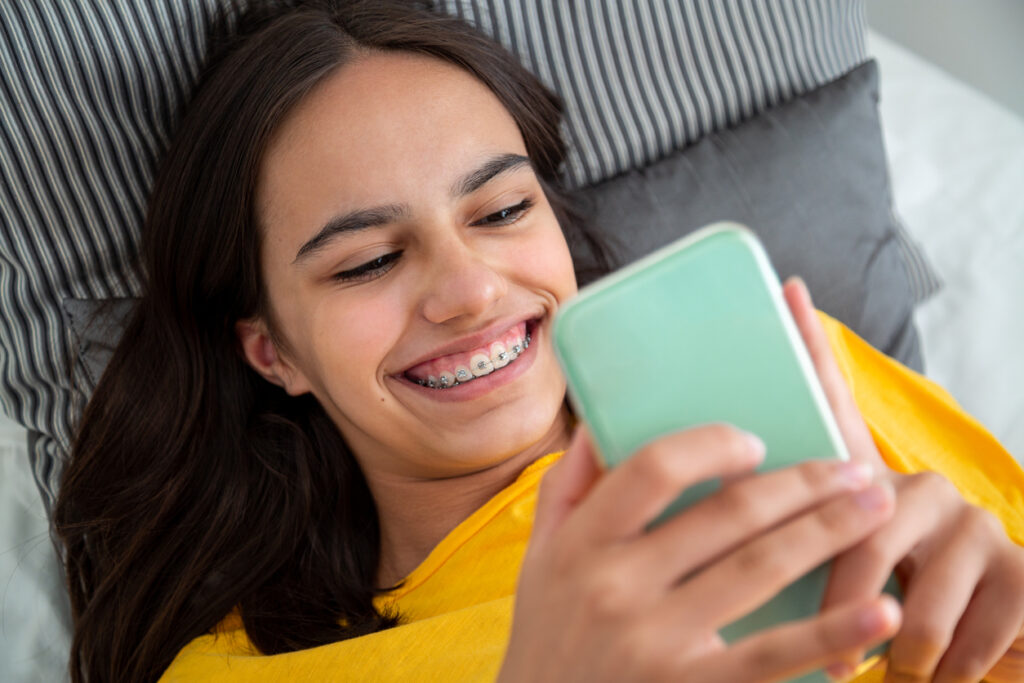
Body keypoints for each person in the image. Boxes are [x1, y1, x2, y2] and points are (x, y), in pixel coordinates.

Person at [53, 1, 1024, 682]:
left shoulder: (808, 376)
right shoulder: (244, 673)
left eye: (503, 208)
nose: (470, 290)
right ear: (274, 353)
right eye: (363, 263)